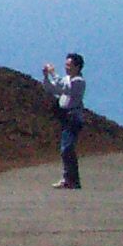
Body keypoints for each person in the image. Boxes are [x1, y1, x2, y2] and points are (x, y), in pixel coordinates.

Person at [39, 52, 87, 189]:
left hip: (74, 118)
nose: (66, 68)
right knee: (66, 149)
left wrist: (53, 73)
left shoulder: (79, 81)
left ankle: (71, 179)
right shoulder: (67, 79)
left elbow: (65, 88)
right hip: (65, 117)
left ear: (77, 67)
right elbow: (53, 88)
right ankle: (70, 179)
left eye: (69, 65)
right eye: (66, 65)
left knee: (67, 148)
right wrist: (46, 76)